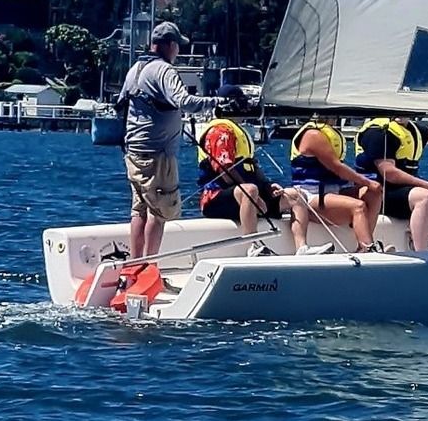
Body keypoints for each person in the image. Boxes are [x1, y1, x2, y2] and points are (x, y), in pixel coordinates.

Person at [116, 21, 204, 259]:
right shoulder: (164, 70)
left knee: (139, 210)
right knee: (160, 210)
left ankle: (135, 264)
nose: (178, 52)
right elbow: (184, 101)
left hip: (133, 152)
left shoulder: (135, 69)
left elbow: (122, 105)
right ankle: (150, 265)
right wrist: (216, 103)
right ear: (171, 45)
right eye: (178, 46)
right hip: (157, 155)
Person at [354, 115, 428, 250]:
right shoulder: (379, 132)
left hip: (404, 192)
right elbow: (389, 172)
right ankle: (421, 253)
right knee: (424, 196)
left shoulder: (411, 129)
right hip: (380, 193)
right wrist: (427, 185)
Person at [195, 116, 308, 252]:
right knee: (250, 191)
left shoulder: (237, 131)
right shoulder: (220, 131)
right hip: (216, 197)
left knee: (295, 195)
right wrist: (256, 198)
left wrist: (267, 186)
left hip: (249, 195)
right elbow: (224, 169)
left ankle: (302, 247)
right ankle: (253, 246)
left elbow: (250, 169)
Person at [289, 119, 380, 251]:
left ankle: (364, 244)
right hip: (311, 198)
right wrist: (366, 181)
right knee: (358, 206)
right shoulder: (312, 135)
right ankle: (367, 247)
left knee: (374, 193)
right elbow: (336, 167)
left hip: (333, 193)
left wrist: (370, 185)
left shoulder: (329, 132)